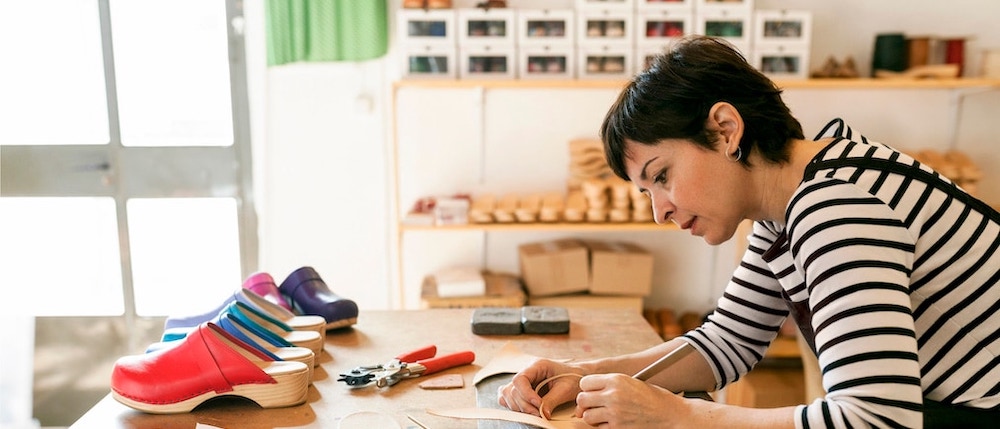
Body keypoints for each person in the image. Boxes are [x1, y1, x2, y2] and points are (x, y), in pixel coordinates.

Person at [497, 35, 1000, 428]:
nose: (660, 212)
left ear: (725, 130)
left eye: (663, 176)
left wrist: (679, 417)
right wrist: (584, 375)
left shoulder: (837, 205)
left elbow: (875, 419)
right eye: (647, 192)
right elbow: (727, 343)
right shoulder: (785, 201)